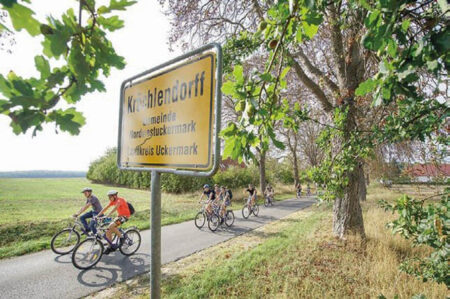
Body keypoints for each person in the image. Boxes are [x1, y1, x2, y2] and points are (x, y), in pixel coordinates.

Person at [96, 190, 131, 254]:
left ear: (114, 196)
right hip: (119, 216)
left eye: (110, 197)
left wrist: (107, 215)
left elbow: (115, 208)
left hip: (125, 217)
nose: (109, 198)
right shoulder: (113, 201)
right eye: (108, 197)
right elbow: (105, 208)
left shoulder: (119, 200)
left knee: (111, 226)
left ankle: (122, 237)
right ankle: (110, 247)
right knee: (108, 231)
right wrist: (97, 216)